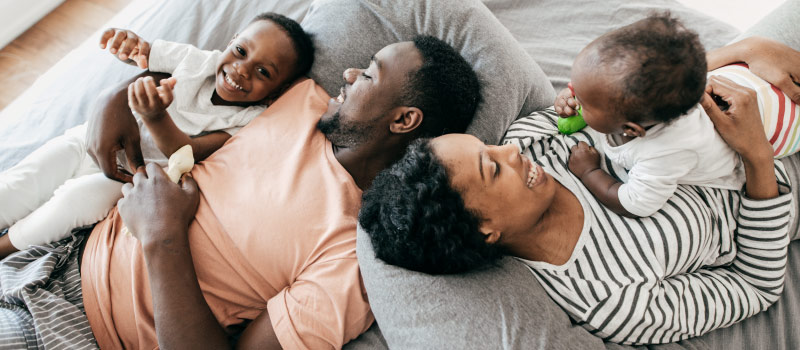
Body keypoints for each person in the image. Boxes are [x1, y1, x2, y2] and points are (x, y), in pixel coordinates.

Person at [0, 36, 481, 349]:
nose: (350, 74)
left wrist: (163, 236)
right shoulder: (305, 100)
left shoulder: (352, 255)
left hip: (82, 333)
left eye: (370, 74)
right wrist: (119, 96)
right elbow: (207, 83)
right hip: (63, 245)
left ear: (403, 120)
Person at [359, 38, 800, 344]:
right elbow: (755, 286)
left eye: (489, 146)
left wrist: (745, 52)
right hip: (779, 178)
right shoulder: (609, 300)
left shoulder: (532, 140)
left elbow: (625, 92)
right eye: (492, 169)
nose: (511, 149)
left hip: (737, 93)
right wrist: (757, 158)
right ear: (486, 229)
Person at [0, 12, 314, 259]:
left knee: (73, 202)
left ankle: (7, 246)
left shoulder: (248, 121)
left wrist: (155, 116)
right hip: (87, 141)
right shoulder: (197, 60)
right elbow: (144, 53)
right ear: (231, 41)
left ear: (280, 90)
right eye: (240, 51)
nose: (242, 70)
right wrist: (126, 44)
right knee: (22, 183)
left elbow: (187, 151)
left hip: (126, 179)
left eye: (264, 72)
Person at [553, 13, 799, 218]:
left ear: (632, 129)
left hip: (786, 127)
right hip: (743, 77)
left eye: (582, 98)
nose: (572, 92)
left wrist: (589, 172)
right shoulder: (670, 89)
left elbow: (634, 203)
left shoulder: (666, 152)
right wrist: (578, 94)